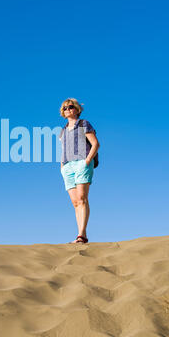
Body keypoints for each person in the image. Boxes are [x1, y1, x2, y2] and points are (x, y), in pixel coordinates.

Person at [59, 98, 100, 244]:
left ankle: (81, 235)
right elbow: (64, 149)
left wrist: (87, 160)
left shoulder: (84, 124)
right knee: (75, 202)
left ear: (76, 109)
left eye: (70, 107)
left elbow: (95, 144)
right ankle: (80, 234)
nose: (68, 109)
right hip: (67, 167)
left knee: (82, 199)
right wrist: (62, 166)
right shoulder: (62, 131)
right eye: (65, 108)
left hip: (81, 163)